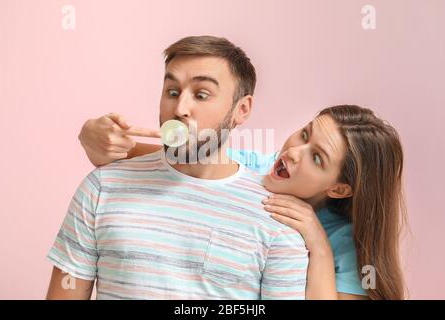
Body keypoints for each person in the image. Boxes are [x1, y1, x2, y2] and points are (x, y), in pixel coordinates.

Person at [46, 35, 309, 300]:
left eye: (201, 95)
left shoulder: (277, 217)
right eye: (172, 92)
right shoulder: (102, 187)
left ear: (241, 109)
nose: (180, 108)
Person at [79, 104, 407, 300]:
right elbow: (128, 158)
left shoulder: (347, 244)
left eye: (317, 158)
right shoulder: (245, 167)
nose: (293, 151)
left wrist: (317, 244)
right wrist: (94, 137)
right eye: (305, 135)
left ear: (339, 189)